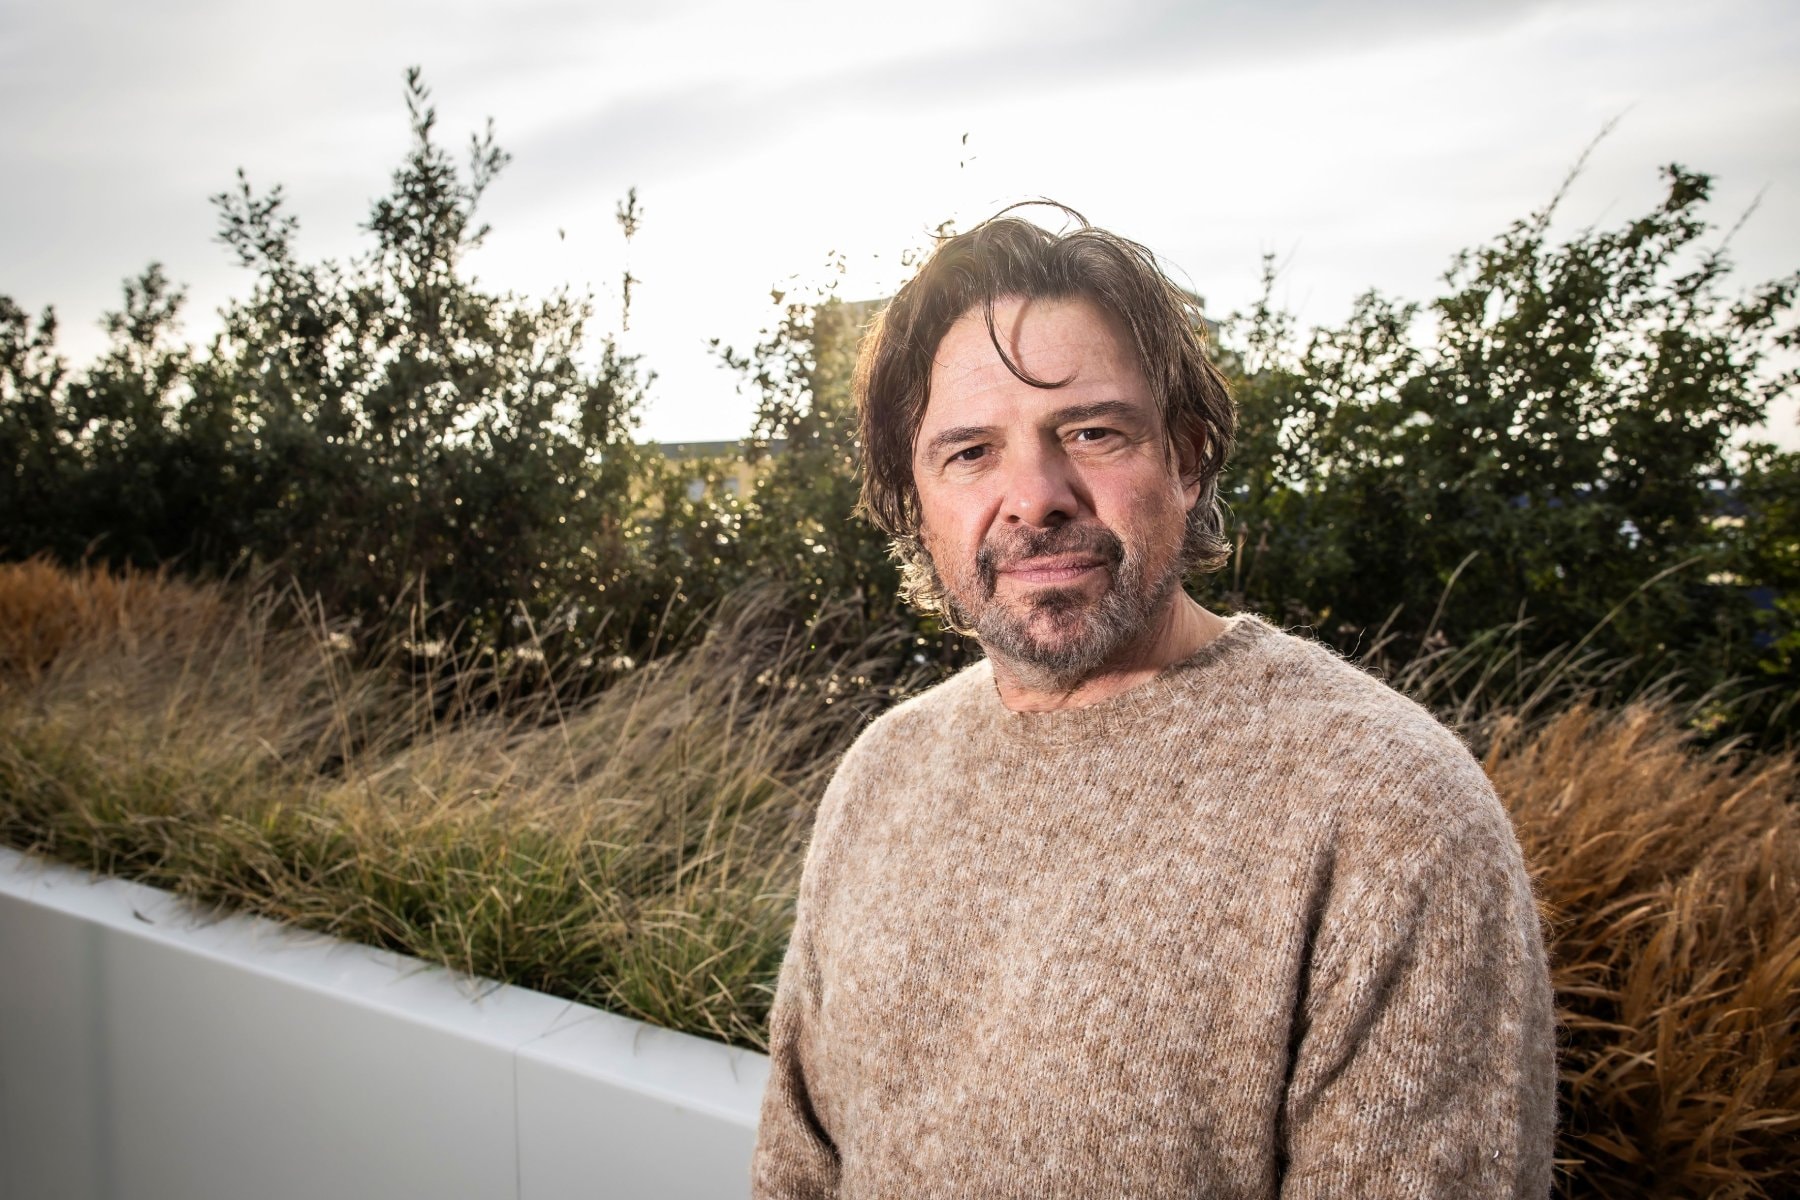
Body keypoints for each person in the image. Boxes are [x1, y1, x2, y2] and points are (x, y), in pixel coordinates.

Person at [751, 207, 1557, 1198]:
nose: (1037, 494)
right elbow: (797, 1171)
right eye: (970, 452)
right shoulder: (883, 770)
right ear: (915, 497)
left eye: (1091, 432)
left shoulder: (1389, 807)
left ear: (1185, 457)